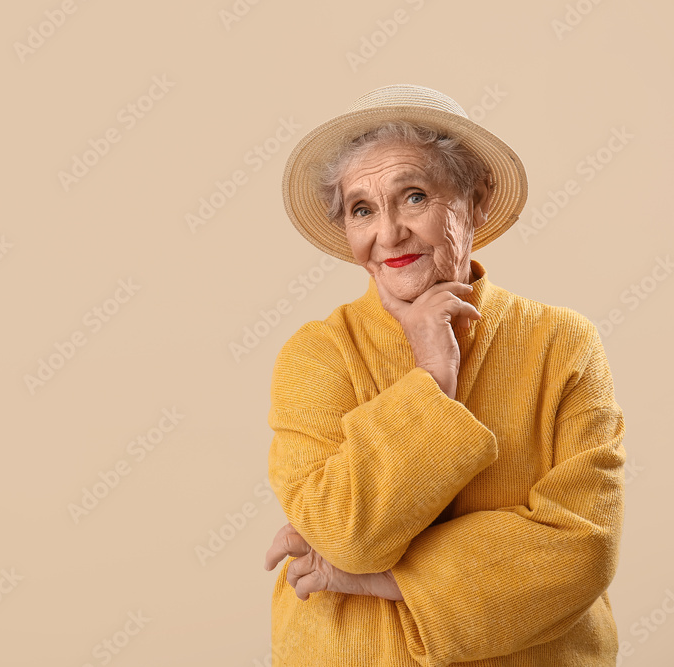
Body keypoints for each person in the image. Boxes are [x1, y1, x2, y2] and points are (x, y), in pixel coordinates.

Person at [262, 84, 626, 666]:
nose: (388, 234)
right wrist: (432, 376)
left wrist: (373, 578)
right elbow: (344, 532)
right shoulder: (317, 354)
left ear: (476, 200)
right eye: (362, 209)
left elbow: (583, 547)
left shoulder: (564, 342)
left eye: (413, 196)